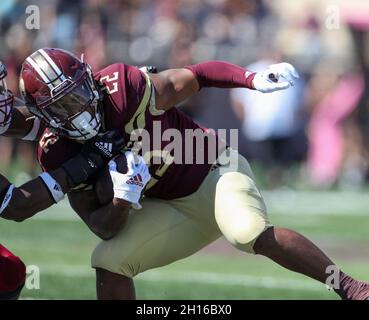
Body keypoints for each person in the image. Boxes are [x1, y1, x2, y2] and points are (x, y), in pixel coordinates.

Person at [19, 48, 369, 300]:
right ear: (43, 114)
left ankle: (352, 289)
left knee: (246, 231)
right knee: (108, 260)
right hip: (170, 208)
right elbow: (101, 226)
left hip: (215, 172)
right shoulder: (57, 150)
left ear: (88, 77)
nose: (79, 109)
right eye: (63, 106)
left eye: (78, 94)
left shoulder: (124, 88)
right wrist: (122, 202)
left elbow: (197, 75)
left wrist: (251, 78)